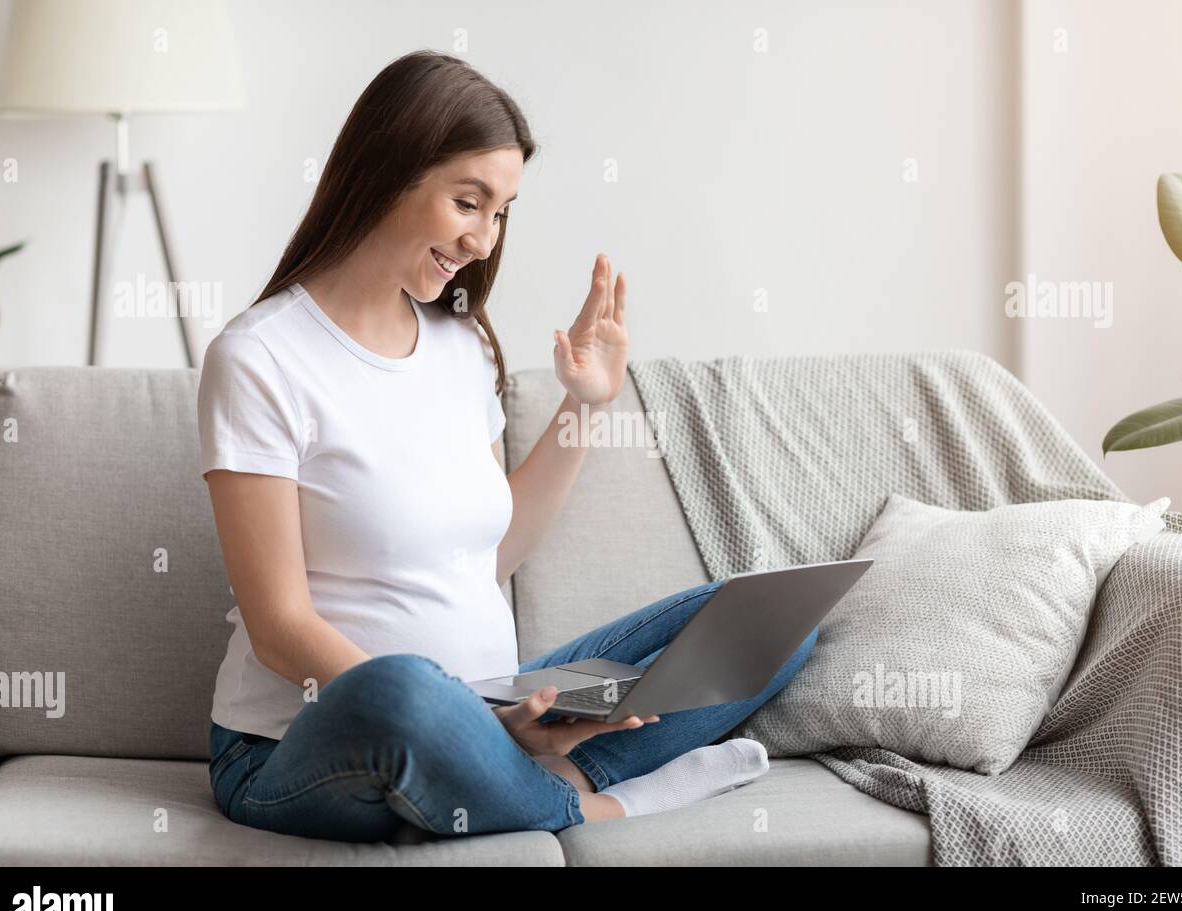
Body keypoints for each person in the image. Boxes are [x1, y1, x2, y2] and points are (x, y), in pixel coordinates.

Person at [198, 50, 817, 841]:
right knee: (405, 695)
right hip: (304, 748)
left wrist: (584, 406)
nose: (484, 240)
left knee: (775, 618)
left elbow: (492, 554)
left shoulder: (459, 343)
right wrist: (465, 718)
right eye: (469, 202)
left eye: (502, 213)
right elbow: (279, 626)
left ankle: (513, 771)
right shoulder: (260, 357)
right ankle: (590, 802)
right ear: (388, 170)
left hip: (491, 705)